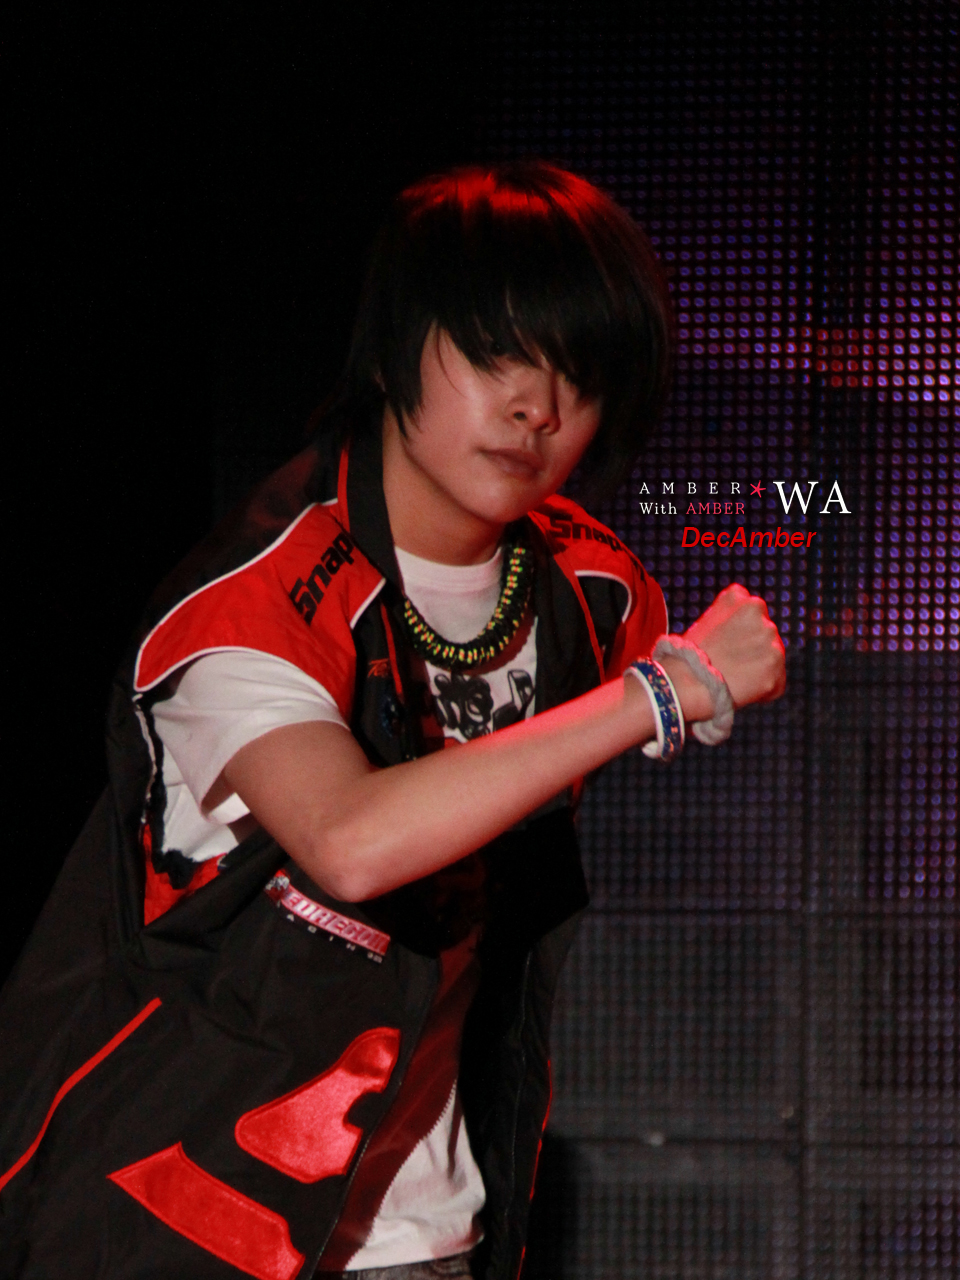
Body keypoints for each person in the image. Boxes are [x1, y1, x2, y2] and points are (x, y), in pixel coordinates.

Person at [0, 162, 784, 1280]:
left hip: (424, 1238)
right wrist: (661, 698)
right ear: (391, 349)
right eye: (497, 353)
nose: (537, 406)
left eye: (577, 371)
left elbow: (698, 655)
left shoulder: (585, 585)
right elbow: (351, 840)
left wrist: (702, 679)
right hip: (172, 1218)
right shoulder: (257, 598)